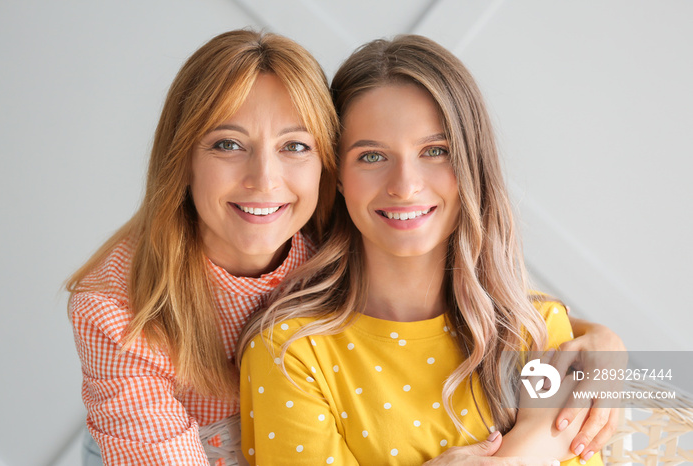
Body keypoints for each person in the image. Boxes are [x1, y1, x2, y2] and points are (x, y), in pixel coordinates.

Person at [239, 35, 610, 465]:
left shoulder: (538, 333)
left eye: (435, 151)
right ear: (337, 174)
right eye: (372, 157)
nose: (405, 185)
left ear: (472, 166)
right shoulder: (289, 352)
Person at [66, 30, 337, 465]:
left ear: (326, 162)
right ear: (183, 159)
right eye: (228, 144)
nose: (264, 178)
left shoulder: (342, 252)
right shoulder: (113, 306)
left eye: (295, 146)